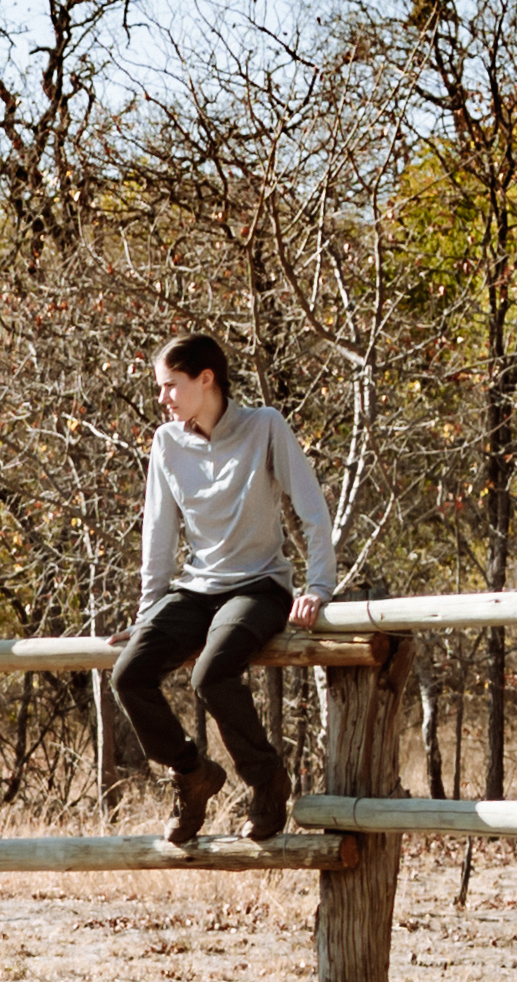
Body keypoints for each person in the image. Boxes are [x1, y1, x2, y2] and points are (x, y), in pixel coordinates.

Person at [108, 332, 334, 846]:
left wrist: (319, 586)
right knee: (129, 674)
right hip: (197, 589)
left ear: (206, 379)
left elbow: (312, 510)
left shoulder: (264, 427)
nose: (162, 398)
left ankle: (267, 781)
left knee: (211, 675)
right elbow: (158, 539)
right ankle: (192, 774)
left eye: (170, 386)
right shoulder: (167, 443)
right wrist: (150, 614)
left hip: (259, 586)